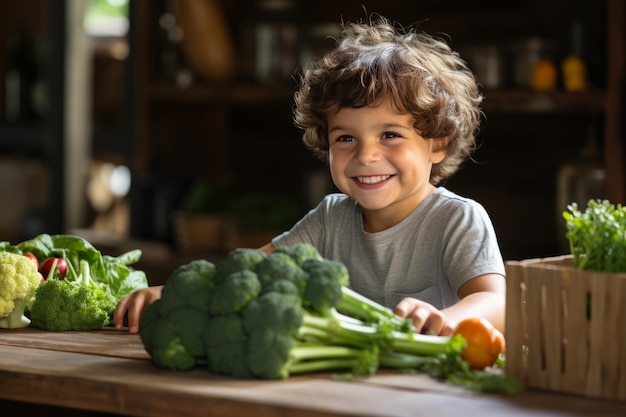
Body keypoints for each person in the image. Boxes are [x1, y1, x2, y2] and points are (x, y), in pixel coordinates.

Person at [114, 16, 506, 336]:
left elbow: (495, 302)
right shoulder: (330, 219)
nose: (366, 154)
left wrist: (448, 319)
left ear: (437, 144)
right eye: (346, 137)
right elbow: (247, 271)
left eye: (390, 135)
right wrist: (177, 293)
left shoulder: (457, 220)